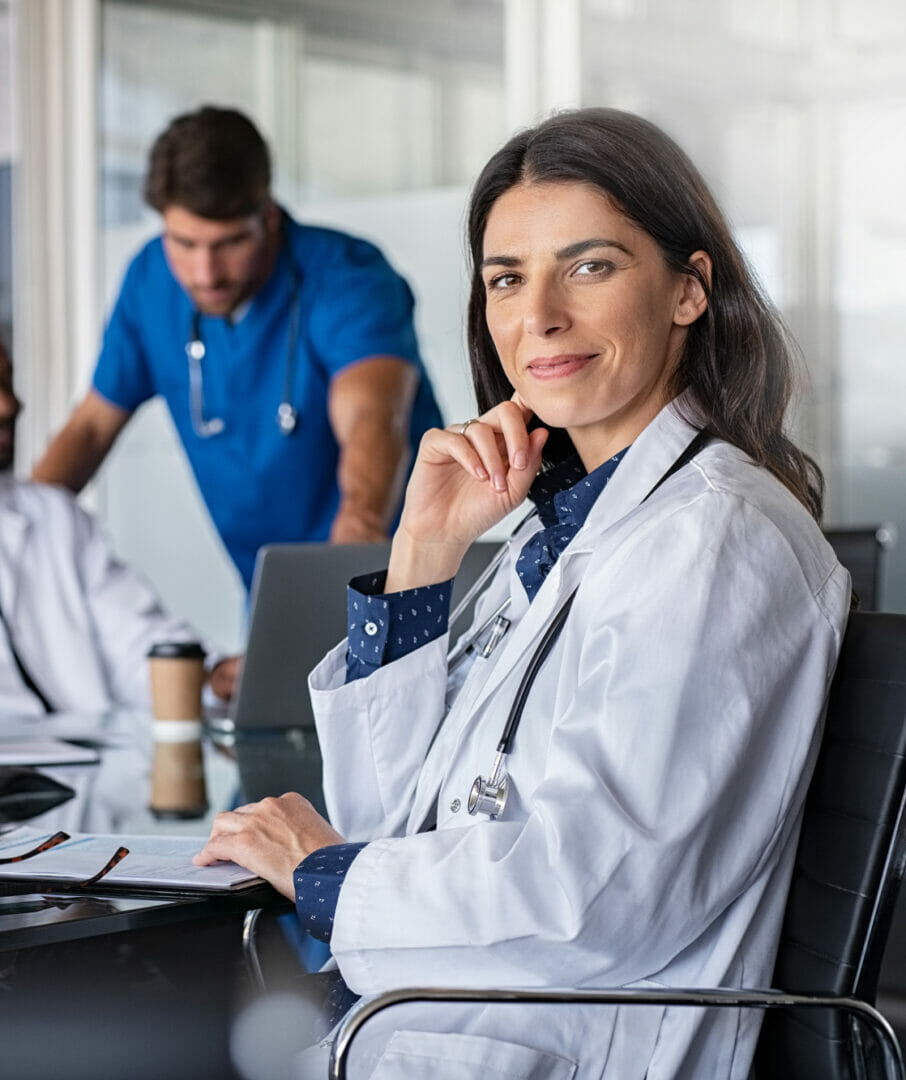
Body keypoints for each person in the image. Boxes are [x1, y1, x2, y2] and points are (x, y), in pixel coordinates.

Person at [195, 109, 850, 1078]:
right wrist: (423, 550)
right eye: (508, 277)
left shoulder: (712, 539)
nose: (537, 314)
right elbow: (389, 813)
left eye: (588, 267)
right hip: (433, 1030)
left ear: (688, 289)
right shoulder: (562, 529)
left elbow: (598, 898)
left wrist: (323, 873)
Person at [32, 106, 443, 592]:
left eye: (228, 244)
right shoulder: (149, 282)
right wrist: (18, 534)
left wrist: (357, 532)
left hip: (389, 571)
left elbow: (374, 419)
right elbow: (90, 430)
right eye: (183, 243)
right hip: (272, 589)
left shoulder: (347, 277)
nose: (205, 274)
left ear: (268, 217)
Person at [0, 338, 238, 714]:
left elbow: (135, 645)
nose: (10, 405)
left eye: (8, 382)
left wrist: (214, 677)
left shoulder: (53, 517)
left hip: (83, 768)